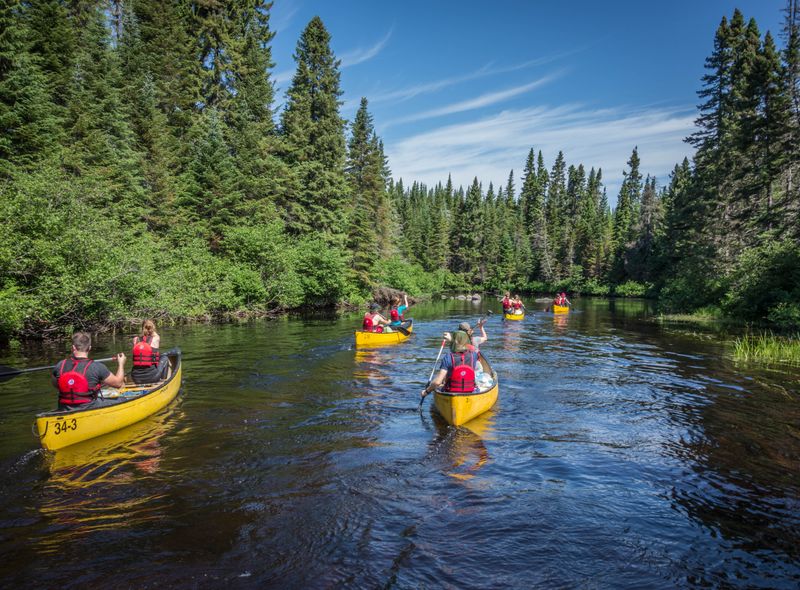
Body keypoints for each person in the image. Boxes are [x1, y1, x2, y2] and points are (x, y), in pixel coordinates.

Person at [52, 332, 126, 410]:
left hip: (64, 407)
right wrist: (121, 363)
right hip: (88, 407)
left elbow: (56, 385)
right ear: (89, 348)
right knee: (123, 399)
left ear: (73, 347)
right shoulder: (96, 367)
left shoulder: (60, 365)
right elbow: (118, 384)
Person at [421, 330, 480, 397]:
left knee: (438, 381)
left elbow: (437, 382)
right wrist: (454, 340)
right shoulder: (474, 355)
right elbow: (470, 347)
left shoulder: (448, 357)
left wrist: (426, 391)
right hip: (470, 390)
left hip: (451, 391)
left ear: (454, 342)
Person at [131, 320, 171, 385]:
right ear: (153, 328)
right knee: (165, 358)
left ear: (142, 328)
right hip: (152, 377)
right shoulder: (156, 338)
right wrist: (151, 328)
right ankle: (163, 381)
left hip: (136, 378)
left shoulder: (135, 339)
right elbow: (154, 334)